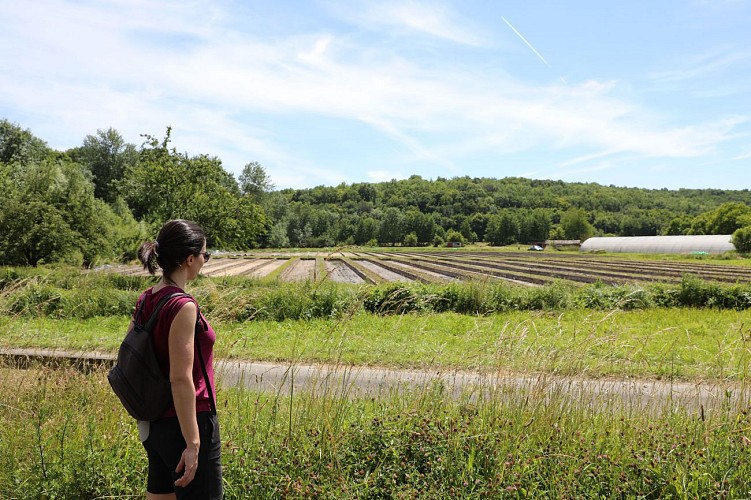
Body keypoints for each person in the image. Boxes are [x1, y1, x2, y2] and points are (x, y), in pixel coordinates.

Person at [135, 219, 222, 499]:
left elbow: (133, 354)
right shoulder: (183, 305)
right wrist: (194, 442)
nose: (205, 262)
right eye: (204, 255)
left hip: (154, 424)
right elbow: (180, 378)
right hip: (187, 422)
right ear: (189, 259)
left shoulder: (146, 299)